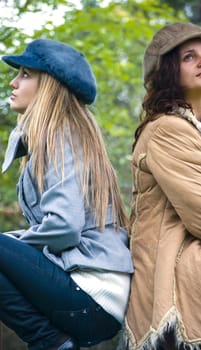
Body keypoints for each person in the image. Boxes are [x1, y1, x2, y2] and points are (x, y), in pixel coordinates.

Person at [0, 38, 134, 350]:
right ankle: (51, 341)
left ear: (49, 85)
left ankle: (49, 341)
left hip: (91, 296)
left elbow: (64, 227)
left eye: (25, 74)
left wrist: (13, 243)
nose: (13, 82)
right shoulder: (57, 140)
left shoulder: (61, 136)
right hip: (91, 300)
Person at [120, 22, 201, 350]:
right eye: (188, 57)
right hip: (174, 281)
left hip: (198, 266)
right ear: (166, 71)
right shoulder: (169, 129)